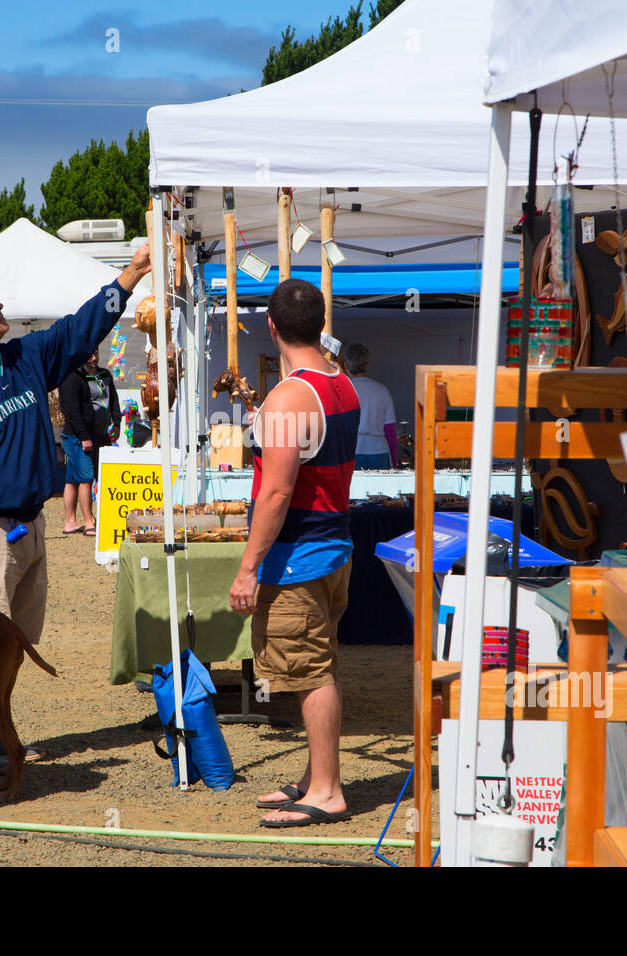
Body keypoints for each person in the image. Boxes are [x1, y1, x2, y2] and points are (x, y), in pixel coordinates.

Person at [0, 242, 150, 775]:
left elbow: (81, 328)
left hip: (32, 522)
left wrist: (130, 275)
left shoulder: (26, 357)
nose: (0, 309)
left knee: (11, 644)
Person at [229, 278, 360, 828]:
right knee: (318, 662)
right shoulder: (343, 384)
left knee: (309, 672)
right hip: (332, 546)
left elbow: (278, 492)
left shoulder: (289, 396)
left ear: (273, 327)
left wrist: (247, 569)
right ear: (320, 323)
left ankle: (327, 790)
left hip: (301, 555)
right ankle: (316, 778)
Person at [57, 349, 120, 535]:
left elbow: (113, 401)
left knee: (72, 479)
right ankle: (89, 522)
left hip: (98, 433)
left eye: (96, 353)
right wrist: (84, 436)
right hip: (76, 436)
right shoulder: (72, 377)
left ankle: (70, 522)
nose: (93, 358)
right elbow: (71, 411)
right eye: (89, 354)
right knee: (86, 477)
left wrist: (116, 424)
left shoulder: (104, 374)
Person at [344, 343, 397, 469]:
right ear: (367, 364)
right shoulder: (382, 390)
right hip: (379, 450)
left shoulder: (342, 390)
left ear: (346, 365)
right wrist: (394, 461)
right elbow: (390, 429)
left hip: (350, 450)